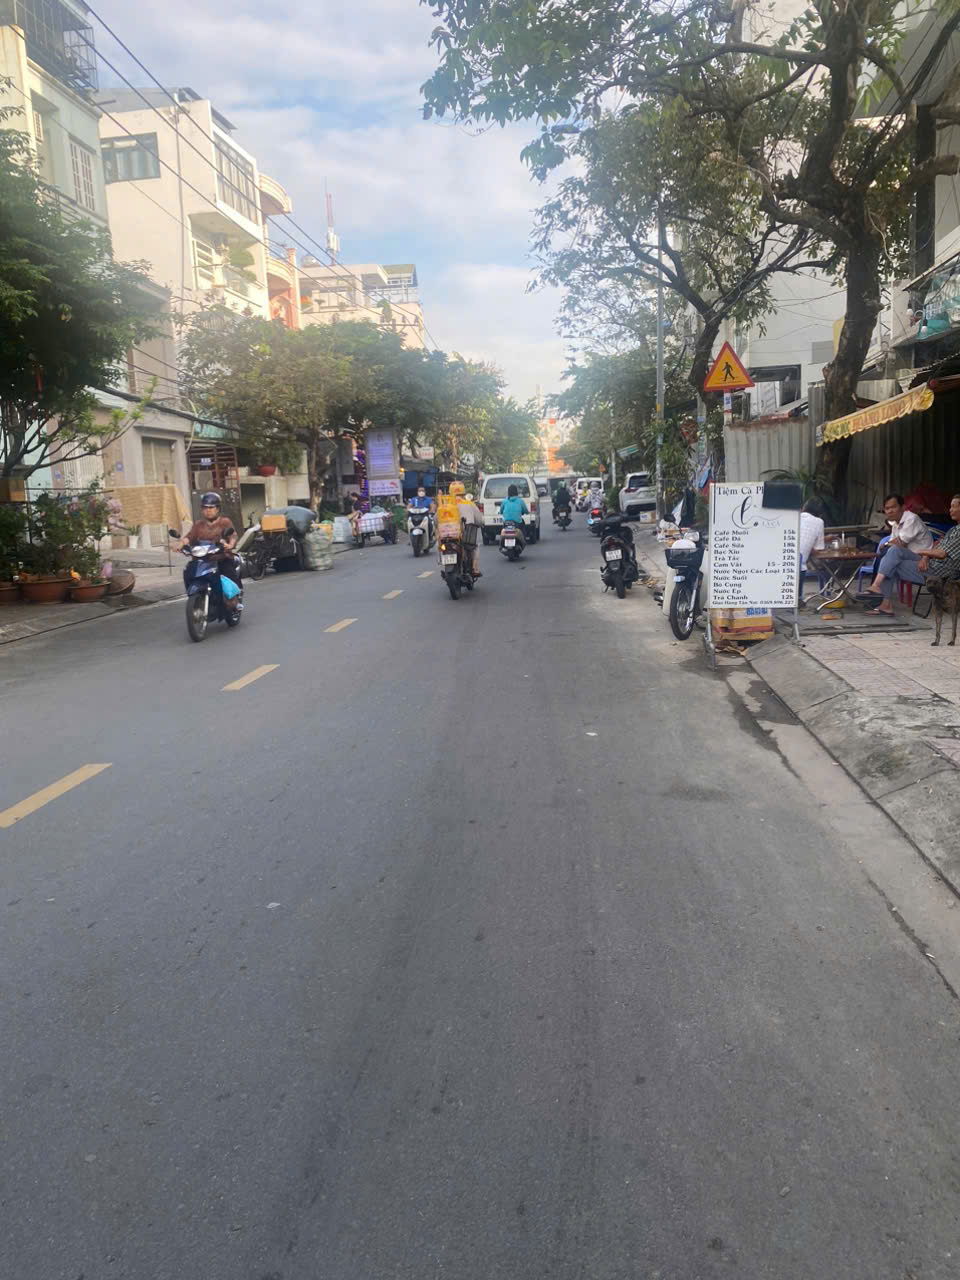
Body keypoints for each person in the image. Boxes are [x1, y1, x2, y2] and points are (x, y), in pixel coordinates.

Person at [861, 493, 935, 614]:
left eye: (893, 507)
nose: (890, 511)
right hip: (910, 559)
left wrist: (886, 544)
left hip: (924, 560)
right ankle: (886, 605)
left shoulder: (911, 519)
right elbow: (892, 543)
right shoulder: (896, 524)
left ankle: (876, 586)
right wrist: (888, 544)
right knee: (889, 563)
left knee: (894, 551)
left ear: (903, 507)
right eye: (887, 508)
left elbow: (900, 543)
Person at [180, 492, 240, 610]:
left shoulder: (225, 522)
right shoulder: (198, 524)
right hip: (202, 559)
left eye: (211, 507)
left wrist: (230, 544)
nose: (208, 510)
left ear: (217, 509)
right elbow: (190, 537)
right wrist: (181, 543)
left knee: (229, 575)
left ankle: (234, 600)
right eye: (205, 508)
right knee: (188, 570)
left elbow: (233, 535)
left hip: (221, 558)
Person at [450, 480, 482, 575]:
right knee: (474, 547)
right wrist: (481, 524)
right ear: (463, 492)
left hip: (448, 535)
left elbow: (436, 519)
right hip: (466, 535)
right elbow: (479, 520)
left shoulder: (446, 505)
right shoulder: (469, 504)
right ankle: (475, 569)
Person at [798, 500, 826, 606]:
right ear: (820, 512)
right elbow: (819, 548)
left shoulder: (794, 516)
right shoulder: (819, 522)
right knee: (802, 565)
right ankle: (798, 598)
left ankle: (797, 599)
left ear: (804, 508)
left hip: (779, 560)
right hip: (799, 565)